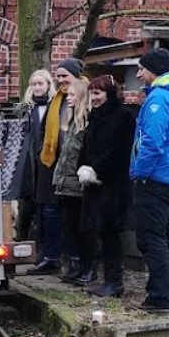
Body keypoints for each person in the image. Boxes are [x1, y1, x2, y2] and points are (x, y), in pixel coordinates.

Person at [130, 47, 169, 313]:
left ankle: (158, 298)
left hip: (155, 177)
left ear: (153, 70)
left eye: (142, 68)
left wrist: (140, 173)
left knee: (152, 239)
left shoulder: (158, 99)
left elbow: (152, 142)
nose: (138, 73)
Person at [79, 74, 136, 298]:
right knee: (101, 232)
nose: (94, 98)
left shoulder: (123, 116)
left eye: (98, 93)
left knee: (111, 233)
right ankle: (107, 279)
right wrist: (83, 166)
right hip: (95, 183)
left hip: (113, 184)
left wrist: (96, 170)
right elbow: (87, 146)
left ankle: (115, 282)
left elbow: (118, 150)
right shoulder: (95, 117)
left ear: (109, 94)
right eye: (92, 93)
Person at [27, 57, 83, 274]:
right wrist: (44, 151)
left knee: (70, 215)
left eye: (64, 76)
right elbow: (43, 130)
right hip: (50, 162)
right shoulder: (56, 100)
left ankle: (74, 259)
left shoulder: (82, 96)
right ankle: (51, 256)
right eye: (58, 76)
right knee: (49, 212)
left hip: (72, 163)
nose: (61, 80)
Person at [53, 79, 93, 283]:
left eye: (71, 95)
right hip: (65, 182)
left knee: (81, 227)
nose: (67, 98)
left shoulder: (86, 122)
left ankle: (87, 267)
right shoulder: (69, 123)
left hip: (78, 183)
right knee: (69, 225)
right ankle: (75, 264)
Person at [12, 69, 57, 245]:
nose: (37, 87)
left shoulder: (54, 106)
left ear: (48, 85)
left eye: (40, 83)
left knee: (46, 204)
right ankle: (24, 236)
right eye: (34, 84)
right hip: (29, 161)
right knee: (28, 202)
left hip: (47, 158)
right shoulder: (25, 109)